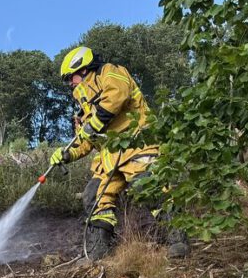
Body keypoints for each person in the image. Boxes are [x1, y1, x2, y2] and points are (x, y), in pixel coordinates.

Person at [51, 46, 189, 260]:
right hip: (109, 160)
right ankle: (99, 252)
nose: (70, 84)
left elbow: (117, 96)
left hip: (137, 146)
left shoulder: (110, 72)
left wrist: (94, 124)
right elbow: (86, 141)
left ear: (84, 69)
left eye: (71, 78)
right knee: (94, 196)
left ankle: (177, 240)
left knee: (148, 186)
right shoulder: (83, 106)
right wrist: (67, 154)